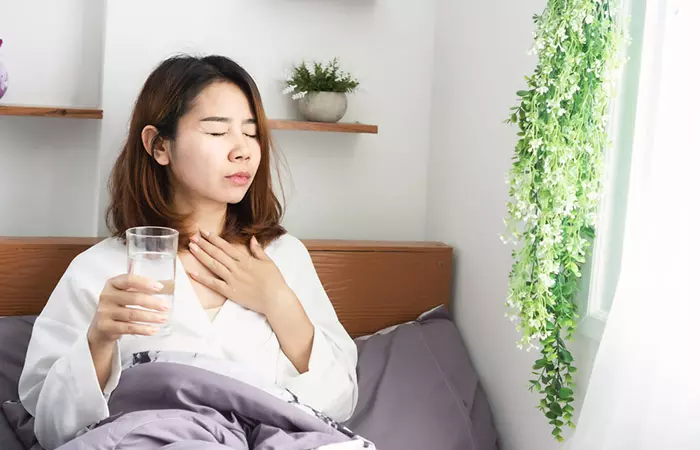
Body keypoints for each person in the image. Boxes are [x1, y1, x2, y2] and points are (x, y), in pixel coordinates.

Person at [18, 55, 358, 450]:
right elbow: (52, 427)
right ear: (159, 145)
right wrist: (99, 341)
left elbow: (338, 404)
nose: (243, 151)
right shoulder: (101, 269)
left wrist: (278, 301)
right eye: (217, 133)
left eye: (251, 133)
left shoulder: (283, 257)